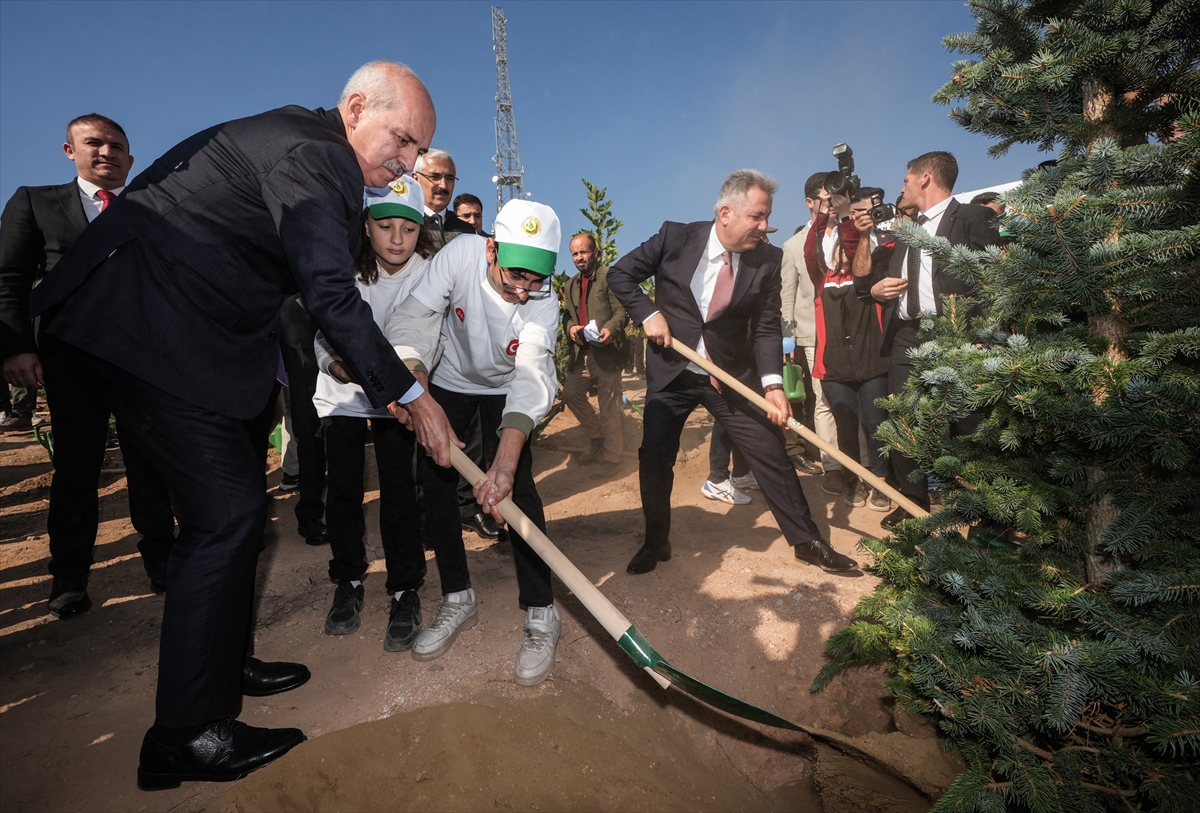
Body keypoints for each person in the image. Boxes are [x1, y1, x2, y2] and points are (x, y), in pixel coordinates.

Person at [25, 60, 458, 789]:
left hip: (173, 331)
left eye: (420, 152)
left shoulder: (304, 143)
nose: (410, 163)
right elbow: (327, 290)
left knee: (229, 511)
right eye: (405, 140)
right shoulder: (318, 157)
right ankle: (186, 735)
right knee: (226, 514)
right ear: (356, 108)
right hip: (140, 322)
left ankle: (216, 665)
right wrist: (412, 397)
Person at [608, 169, 857, 575]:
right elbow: (620, 274)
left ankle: (808, 541)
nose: (765, 226)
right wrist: (648, 313)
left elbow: (765, 326)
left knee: (769, 450)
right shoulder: (675, 237)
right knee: (655, 458)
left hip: (729, 374)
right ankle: (657, 542)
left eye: (767, 217)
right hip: (673, 371)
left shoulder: (767, 259)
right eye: (757, 217)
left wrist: (772, 385)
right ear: (726, 213)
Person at [0, 113, 176, 612]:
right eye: (94, 143)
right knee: (77, 470)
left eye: (117, 146)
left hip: (144, 362)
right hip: (70, 361)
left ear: (131, 159)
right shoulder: (35, 203)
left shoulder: (149, 210)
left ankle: (162, 561)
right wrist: (16, 348)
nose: (106, 153)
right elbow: (8, 280)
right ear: (69, 150)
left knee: (150, 466)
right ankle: (70, 578)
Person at [386, 199, 562, 686]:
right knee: (437, 483)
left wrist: (504, 462)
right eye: (516, 276)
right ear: (490, 251)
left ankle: (542, 610)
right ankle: (457, 597)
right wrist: (415, 384)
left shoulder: (544, 300)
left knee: (520, 488)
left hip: (508, 385)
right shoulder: (458, 255)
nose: (526, 291)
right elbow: (413, 318)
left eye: (537, 280)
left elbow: (530, 375)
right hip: (449, 379)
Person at [314, 178, 432, 651]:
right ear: (367, 225)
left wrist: (408, 380)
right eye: (386, 227)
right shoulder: (343, 267)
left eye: (408, 228)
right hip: (343, 394)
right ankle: (349, 581)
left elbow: (429, 331)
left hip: (399, 398)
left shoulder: (427, 272)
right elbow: (324, 328)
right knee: (343, 488)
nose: (397, 239)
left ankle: (405, 589)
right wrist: (336, 365)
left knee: (399, 489)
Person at [865, 151, 1001, 528]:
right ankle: (913, 501)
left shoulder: (974, 217)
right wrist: (878, 291)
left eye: (906, 180)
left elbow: (994, 280)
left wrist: (984, 335)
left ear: (925, 178)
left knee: (968, 423)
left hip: (958, 336)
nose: (902, 187)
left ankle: (986, 512)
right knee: (905, 419)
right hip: (907, 338)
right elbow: (886, 280)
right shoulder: (908, 230)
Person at [805, 184, 894, 513]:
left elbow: (855, 238)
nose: (842, 252)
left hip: (873, 363)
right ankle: (854, 479)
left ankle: (880, 482)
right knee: (845, 427)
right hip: (835, 368)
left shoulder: (867, 277)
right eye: (836, 248)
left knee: (876, 424)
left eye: (848, 247)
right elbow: (810, 249)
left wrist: (846, 215)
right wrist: (825, 210)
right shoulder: (822, 278)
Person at [779, 173, 838, 479]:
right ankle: (833, 464)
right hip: (812, 336)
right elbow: (786, 298)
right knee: (823, 398)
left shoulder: (847, 234)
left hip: (848, 333)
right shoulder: (792, 246)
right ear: (810, 202)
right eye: (825, 198)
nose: (831, 204)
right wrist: (788, 343)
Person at [561, 232, 628, 480]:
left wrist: (611, 328)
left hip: (606, 352)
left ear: (596, 252)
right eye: (575, 254)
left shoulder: (609, 277)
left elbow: (622, 310)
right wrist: (570, 329)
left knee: (608, 405)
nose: (580, 257)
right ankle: (598, 437)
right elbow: (567, 315)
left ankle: (612, 459)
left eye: (584, 252)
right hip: (584, 354)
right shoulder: (570, 285)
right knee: (571, 393)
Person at [412, 149, 476, 252]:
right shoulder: (406, 223)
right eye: (435, 177)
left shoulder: (466, 230)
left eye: (449, 178)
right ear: (415, 179)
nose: (443, 185)